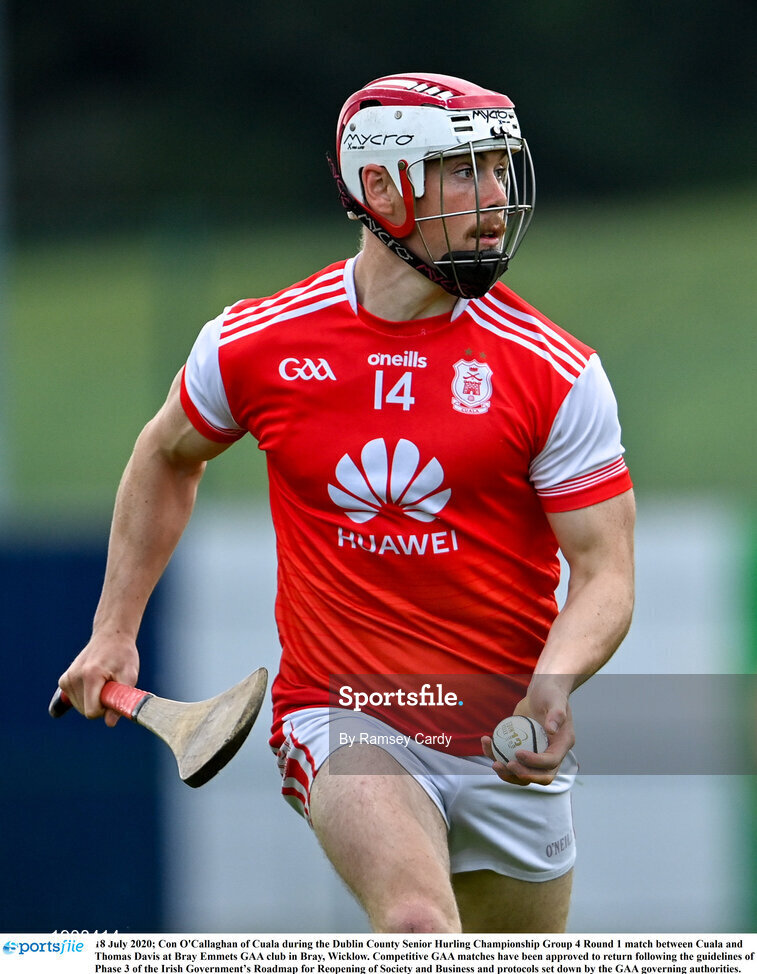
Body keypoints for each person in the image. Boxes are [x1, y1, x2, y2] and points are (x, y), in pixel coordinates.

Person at [58, 72, 635, 933]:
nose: (492, 197)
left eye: (498, 169)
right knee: (416, 927)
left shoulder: (554, 372)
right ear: (379, 188)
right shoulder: (256, 343)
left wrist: (551, 689)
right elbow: (166, 454)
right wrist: (114, 629)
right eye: (462, 171)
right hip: (342, 713)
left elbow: (604, 573)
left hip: (503, 732)